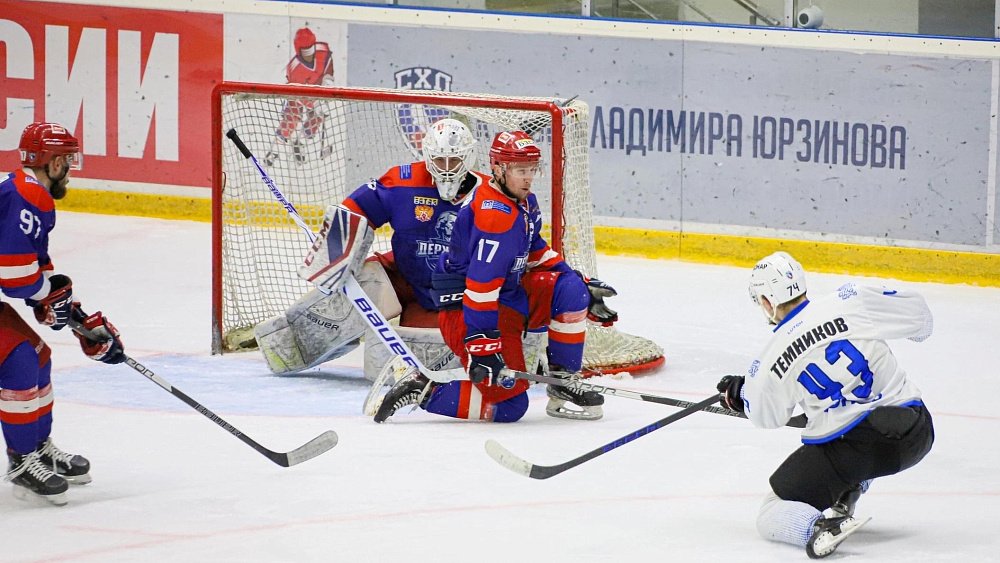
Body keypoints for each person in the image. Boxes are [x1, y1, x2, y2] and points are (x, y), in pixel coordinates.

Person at [372, 130, 618, 423]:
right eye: (520, 171)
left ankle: (563, 381)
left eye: (531, 169)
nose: (528, 178)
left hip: (507, 297)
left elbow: (536, 251)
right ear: (499, 169)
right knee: (510, 407)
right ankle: (422, 389)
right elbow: (480, 290)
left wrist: (581, 284)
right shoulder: (495, 219)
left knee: (570, 289)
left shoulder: (524, 201)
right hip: (468, 314)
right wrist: (483, 347)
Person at [716, 251, 934, 559]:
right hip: (917, 429)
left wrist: (741, 395)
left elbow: (766, 417)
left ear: (766, 302)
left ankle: (819, 528)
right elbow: (921, 319)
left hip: (860, 450)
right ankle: (849, 492)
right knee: (858, 442)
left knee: (772, 510)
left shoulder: (769, 361)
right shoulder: (852, 299)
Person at [255, 118, 488, 378]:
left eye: (454, 160)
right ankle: (289, 345)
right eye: (439, 160)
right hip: (402, 277)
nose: (446, 169)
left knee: (402, 368)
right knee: (357, 285)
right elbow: (355, 211)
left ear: (468, 157)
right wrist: (332, 256)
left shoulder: (489, 197)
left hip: (451, 297)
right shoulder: (403, 182)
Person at [1, 122, 125, 505]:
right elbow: (14, 276)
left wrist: (76, 318)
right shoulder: (25, 195)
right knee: (19, 359)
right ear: (53, 163)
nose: (70, 169)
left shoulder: (28, 192)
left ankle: (37, 449)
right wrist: (47, 296)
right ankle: (22, 462)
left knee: (39, 356)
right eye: (67, 161)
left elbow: (36, 268)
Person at [263, 27, 335, 167]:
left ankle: (300, 143)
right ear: (298, 50)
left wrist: (327, 80)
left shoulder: (323, 50)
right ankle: (274, 151)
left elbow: (328, 64)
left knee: (317, 118)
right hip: (296, 94)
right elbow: (299, 95)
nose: (309, 55)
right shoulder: (294, 69)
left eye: (311, 49)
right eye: (305, 52)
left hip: (316, 91)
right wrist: (316, 104)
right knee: (292, 119)